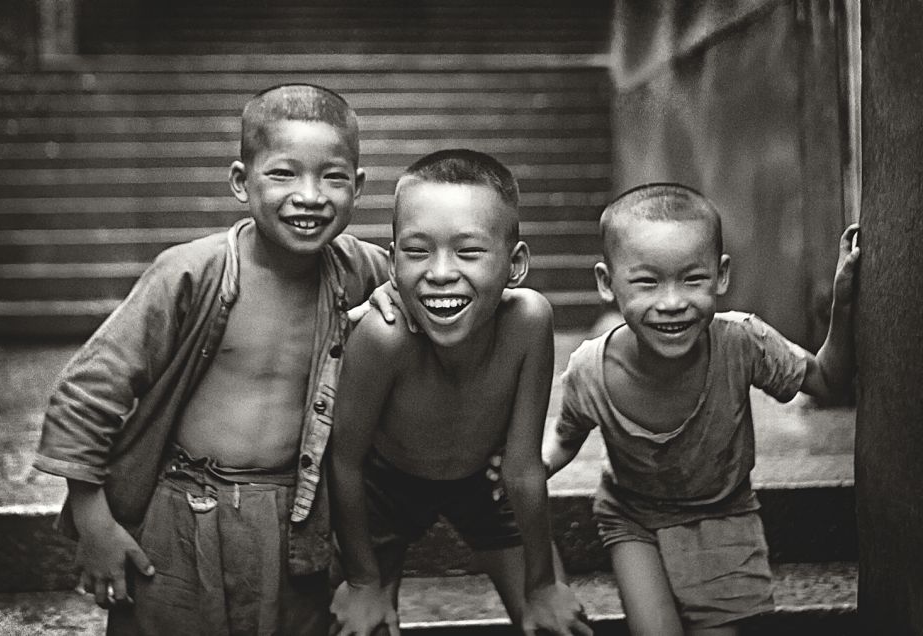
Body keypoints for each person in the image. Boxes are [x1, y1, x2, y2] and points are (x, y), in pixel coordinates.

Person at [33, 83, 393, 635]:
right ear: (239, 182)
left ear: (359, 187)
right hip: (180, 513)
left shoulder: (362, 272)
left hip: (297, 520)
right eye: (283, 174)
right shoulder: (191, 274)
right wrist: (94, 523)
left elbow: (440, 296)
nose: (310, 195)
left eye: (333, 177)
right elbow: (87, 392)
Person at [542, 183, 860, 636]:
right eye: (647, 282)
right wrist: (532, 467)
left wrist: (843, 302)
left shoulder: (744, 343)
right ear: (606, 284)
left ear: (721, 276)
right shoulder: (591, 370)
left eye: (693, 280)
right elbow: (564, 439)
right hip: (634, 519)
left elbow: (827, 379)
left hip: (724, 516)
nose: (672, 303)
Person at [328, 149, 592, 636]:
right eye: (417, 251)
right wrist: (363, 581)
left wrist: (541, 586)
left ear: (515, 265)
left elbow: (523, 467)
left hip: (484, 485)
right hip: (385, 490)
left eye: (468, 252)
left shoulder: (528, 323)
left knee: (560, 622)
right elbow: (343, 462)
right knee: (364, 625)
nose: (441, 272)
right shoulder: (384, 338)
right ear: (392, 264)